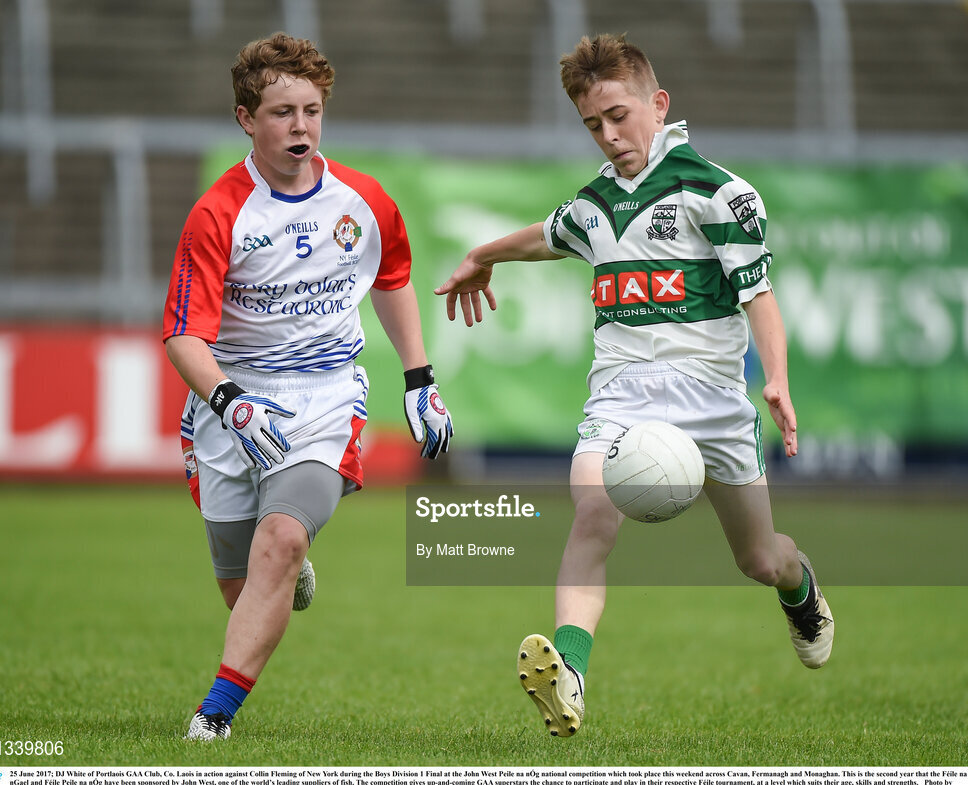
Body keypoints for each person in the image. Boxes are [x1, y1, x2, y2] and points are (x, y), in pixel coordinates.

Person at [435, 32, 832, 738]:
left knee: (758, 557)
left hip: (712, 401)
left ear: (659, 103)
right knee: (592, 516)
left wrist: (775, 378)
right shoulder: (595, 202)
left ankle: (800, 589)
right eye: (593, 124)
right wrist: (481, 255)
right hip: (621, 393)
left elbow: (760, 296)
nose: (609, 135)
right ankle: (573, 675)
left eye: (619, 115)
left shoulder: (720, 192)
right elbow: (547, 234)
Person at [164, 32, 453, 741]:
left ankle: (214, 715)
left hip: (326, 398)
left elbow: (392, 281)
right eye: (281, 112)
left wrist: (419, 379)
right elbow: (182, 335)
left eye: (312, 110)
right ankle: (284, 573)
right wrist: (230, 404)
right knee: (243, 581)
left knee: (282, 539)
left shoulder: (364, 200)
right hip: (234, 403)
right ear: (244, 119)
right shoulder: (218, 213)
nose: (300, 126)